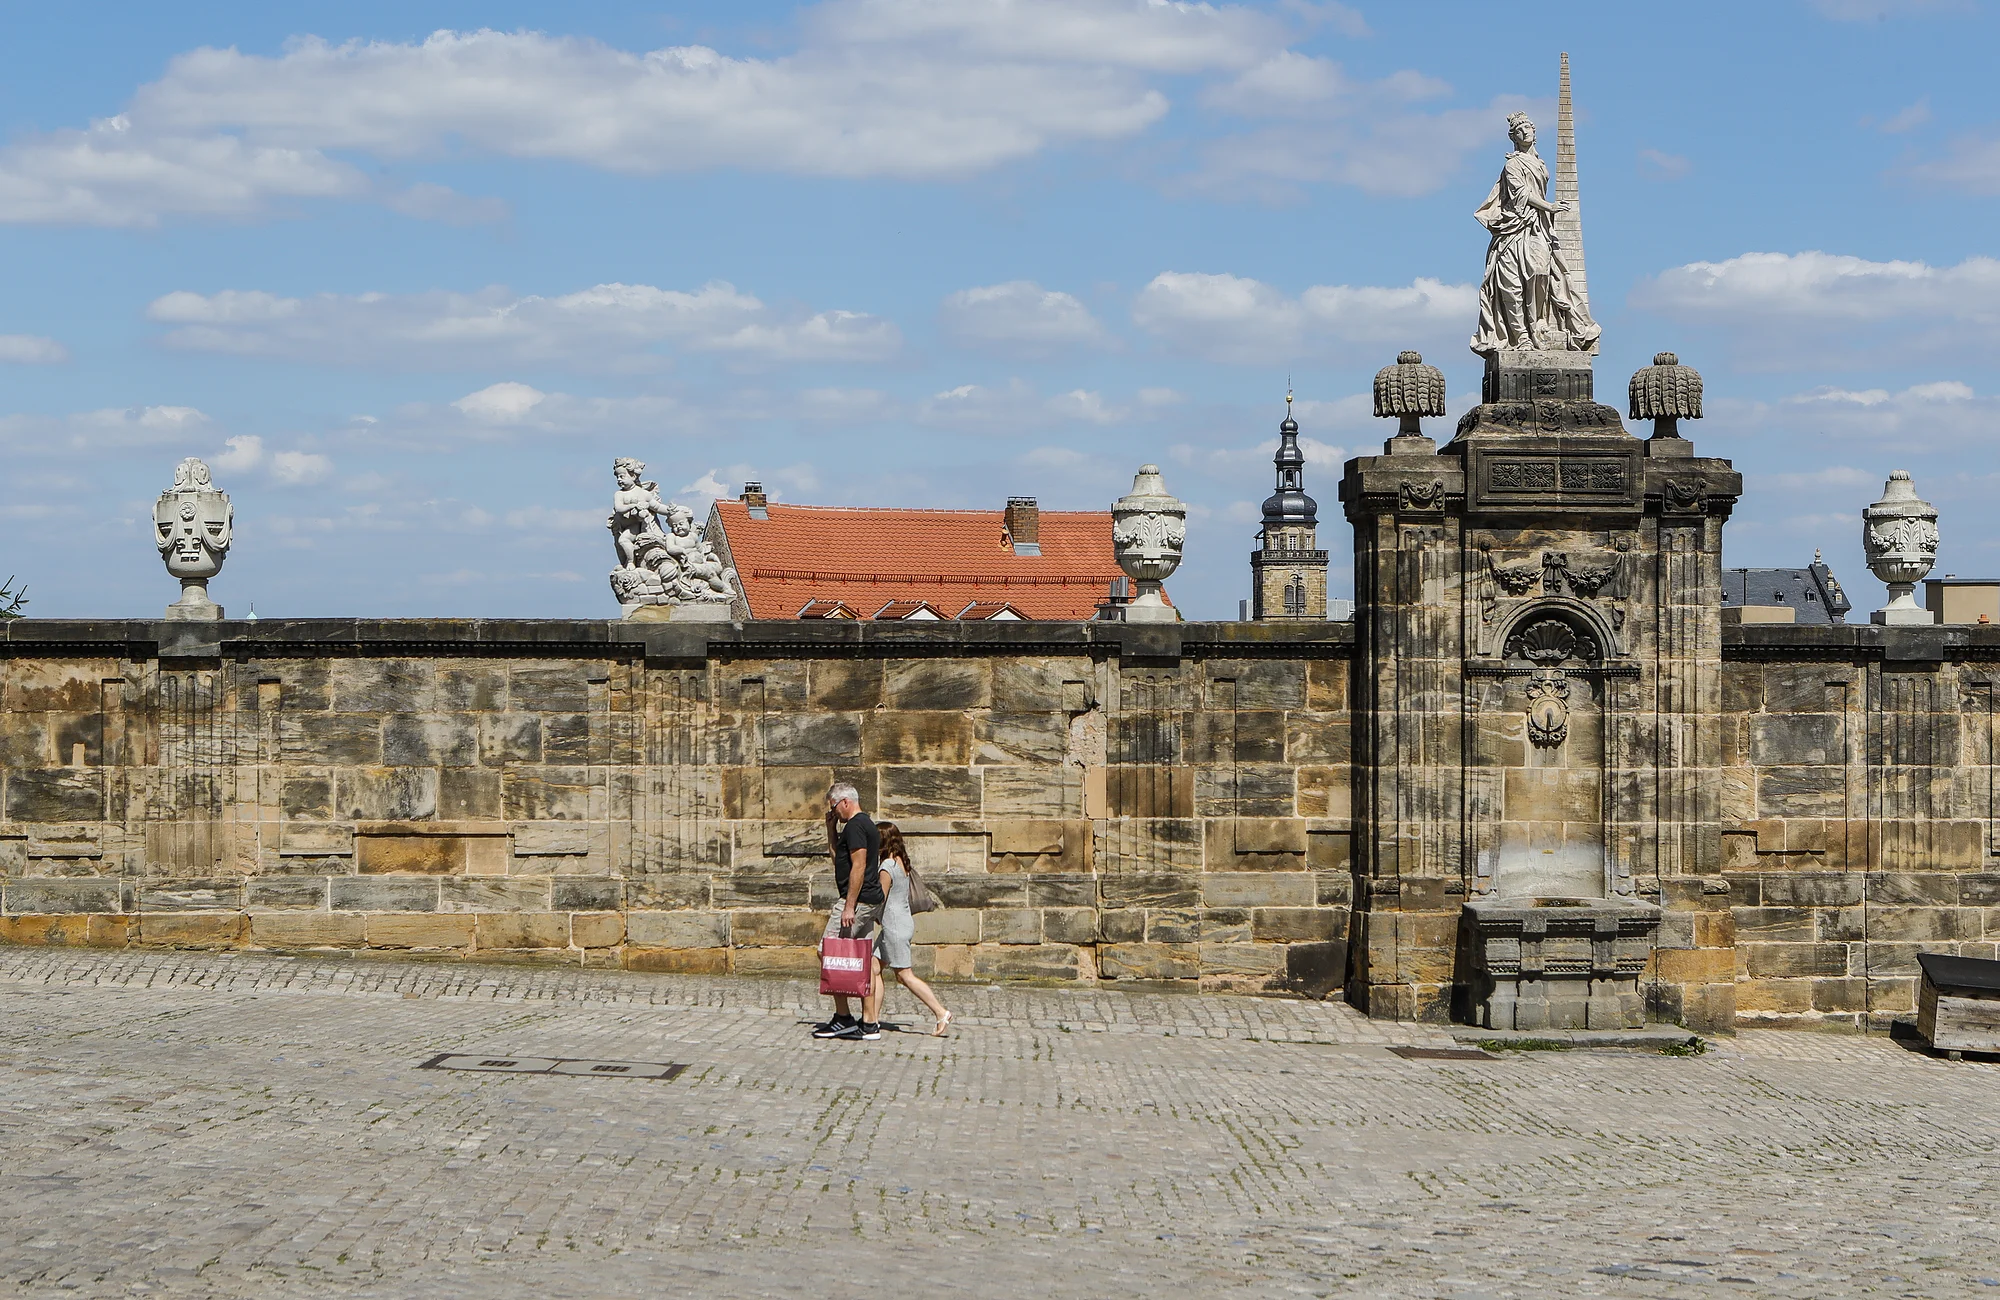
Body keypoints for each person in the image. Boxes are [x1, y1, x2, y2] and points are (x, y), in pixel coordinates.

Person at [812, 783, 886, 1041]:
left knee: (827, 950)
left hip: (858, 901)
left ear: (845, 802)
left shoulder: (855, 826)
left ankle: (843, 1018)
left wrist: (849, 906)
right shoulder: (863, 824)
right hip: (868, 900)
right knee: (862, 960)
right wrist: (830, 829)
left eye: (833, 808)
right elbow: (838, 860)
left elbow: (859, 866)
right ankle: (869, 1022)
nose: (833, 813)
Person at [873, 822, 952, 1037]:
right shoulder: (901, 862)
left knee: (905, 975)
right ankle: (872, 1020)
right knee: (874, 968)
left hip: (894, 927)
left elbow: (880, 898)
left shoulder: (887, 866)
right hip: (901, 923)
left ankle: (940, 1012)